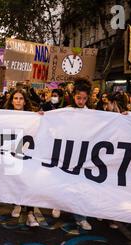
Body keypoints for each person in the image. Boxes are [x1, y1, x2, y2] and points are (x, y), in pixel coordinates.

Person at [51, 78, 93, 231]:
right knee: (63, 180)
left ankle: (81, 217)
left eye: (84, 98)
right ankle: (58, 205)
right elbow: (53, 122)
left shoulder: (93, 114)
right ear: (73, 97)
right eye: (78, 98)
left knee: (81, 186)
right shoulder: (66, 111)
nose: (81, 101)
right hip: (66, 152)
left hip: (83, 154)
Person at [3, 89, 45, 227]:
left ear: (25, 101)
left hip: (28, 155)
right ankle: (17, 204)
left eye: (21, 98)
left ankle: (30, 214)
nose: (18, 101)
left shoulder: (32, 116)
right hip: (12, 154)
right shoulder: (4, 115)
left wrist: (41, 117)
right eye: (15, 98)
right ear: (12, 100)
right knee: (16, 181)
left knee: (29, 183)